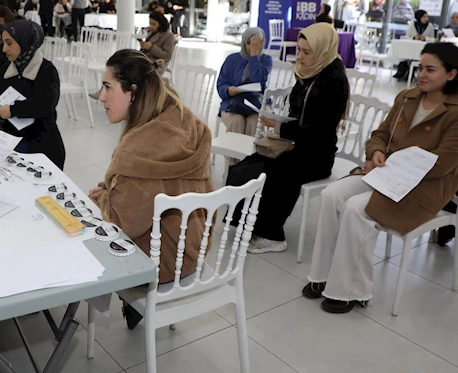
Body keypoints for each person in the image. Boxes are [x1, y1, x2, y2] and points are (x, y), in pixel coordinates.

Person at [303, 42, 458, 313]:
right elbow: (381, 134)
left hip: (427, 185)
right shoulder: (408, 98)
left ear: (451, 74)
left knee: (356, 209)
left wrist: (395, 164)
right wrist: (376, 151)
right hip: (386, 173)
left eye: (430, 69)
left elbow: (444, 162)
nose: (421, 74)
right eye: (420, 67)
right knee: (331, 195)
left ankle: (352, 290)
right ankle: (322, 276)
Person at [89, 49, 213, 329]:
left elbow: (119, 224)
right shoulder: (184, 120)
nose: (102, 97)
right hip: (191, 248)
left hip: (162, 263)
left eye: (108, 87)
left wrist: (102, 195)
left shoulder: (139, 150)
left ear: (132, 92)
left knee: (86, 229)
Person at [226, 23, 350, 253]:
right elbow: (299, 114)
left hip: (317, 155)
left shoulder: (333, 81)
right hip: (296, 144)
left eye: (305, 52)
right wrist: (281, 123)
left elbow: (320, 130)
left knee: (275, 172)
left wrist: (281, 128)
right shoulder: (311, 71)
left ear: (322, 50)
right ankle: (247, 221)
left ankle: (272, 235)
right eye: (299, 50)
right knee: (249, 165)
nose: (300, 57)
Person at [0, 20, 65, 168]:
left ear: (25, 42)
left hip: (38, 142)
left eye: (9, 43)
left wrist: (12, 110)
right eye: (3, 43)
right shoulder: (5, 69)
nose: (4, 49)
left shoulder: (46, 70)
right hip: (6, 139)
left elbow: (45, 105)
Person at [217, 27, 273, 155]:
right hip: (233, 103)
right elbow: (221, 85)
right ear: (243, 43)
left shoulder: (266, 60)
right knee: (236, 121)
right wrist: (228, 90)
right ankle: (233, 163)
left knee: (254, 122)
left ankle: (248, 164)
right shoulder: (232, 59)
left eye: (256, 44)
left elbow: (257, 79)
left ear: (262, 43)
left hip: (256, 104)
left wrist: (254, 55)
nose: (252, 47)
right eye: (249, 44)